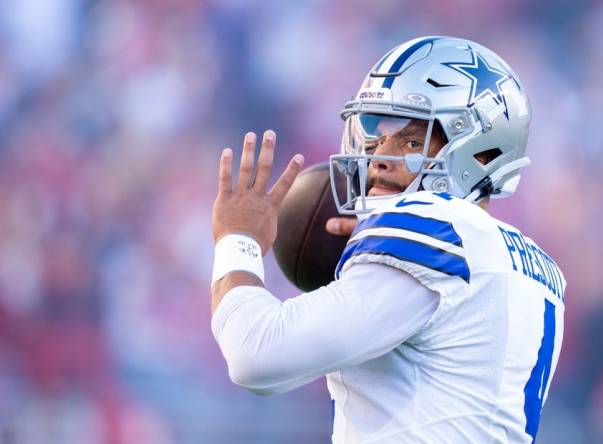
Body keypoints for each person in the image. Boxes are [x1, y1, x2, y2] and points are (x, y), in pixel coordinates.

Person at [210, 36, 566, 443]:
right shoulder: (536, 266)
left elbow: (255, 356)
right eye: (376, 137)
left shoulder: (430, 228)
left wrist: (237, 239)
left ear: (483, 153)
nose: (380, 156)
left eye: (412, 141)